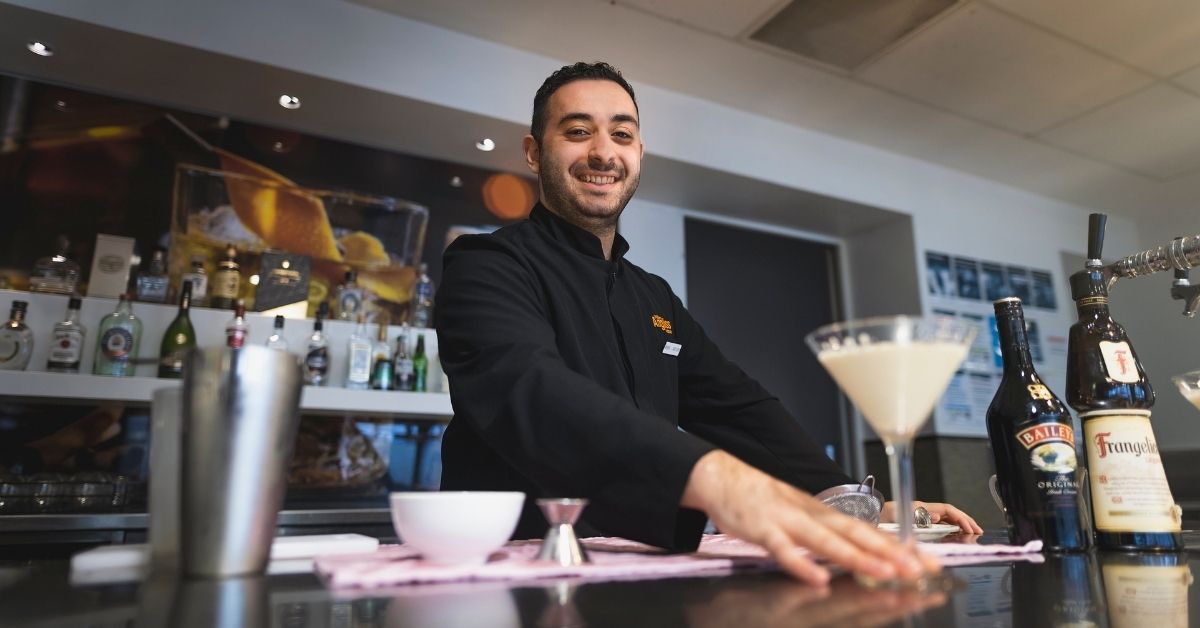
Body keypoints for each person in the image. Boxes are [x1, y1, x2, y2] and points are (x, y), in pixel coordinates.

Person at [435, 61, 981, 585]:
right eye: (578, 131)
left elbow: (738, 407)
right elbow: (528, 388)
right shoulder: (487, 264)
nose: (603, 152)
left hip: (640, 572)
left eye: (622, 135)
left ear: (639, 153)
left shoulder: (653, 296)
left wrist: (855, 498)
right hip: (514, 572)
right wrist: (715, 478)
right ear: (534, 152)